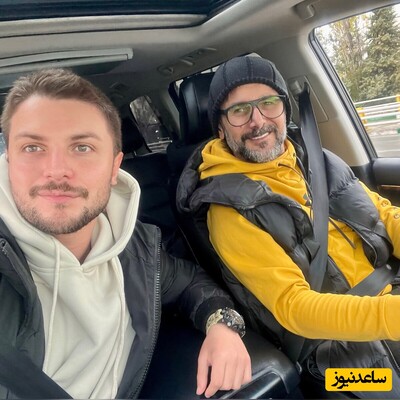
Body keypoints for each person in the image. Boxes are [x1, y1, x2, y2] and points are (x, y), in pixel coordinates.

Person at [0, 68, 252, 399]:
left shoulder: (135, 248)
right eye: (33, 147)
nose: (56, 170)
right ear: (8, 160)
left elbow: (190, 282)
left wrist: (223, 324)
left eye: (82, 147)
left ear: (114, 167)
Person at [177, 54, 400, 397]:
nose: (258, 121)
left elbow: (384, 215)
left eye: (269, 103)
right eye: (239, 111)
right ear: (221, 127)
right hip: (331, 357)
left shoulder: (320, 159)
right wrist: (392, 317)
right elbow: (295, 307)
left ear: (284, 109)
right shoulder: (227, 210)